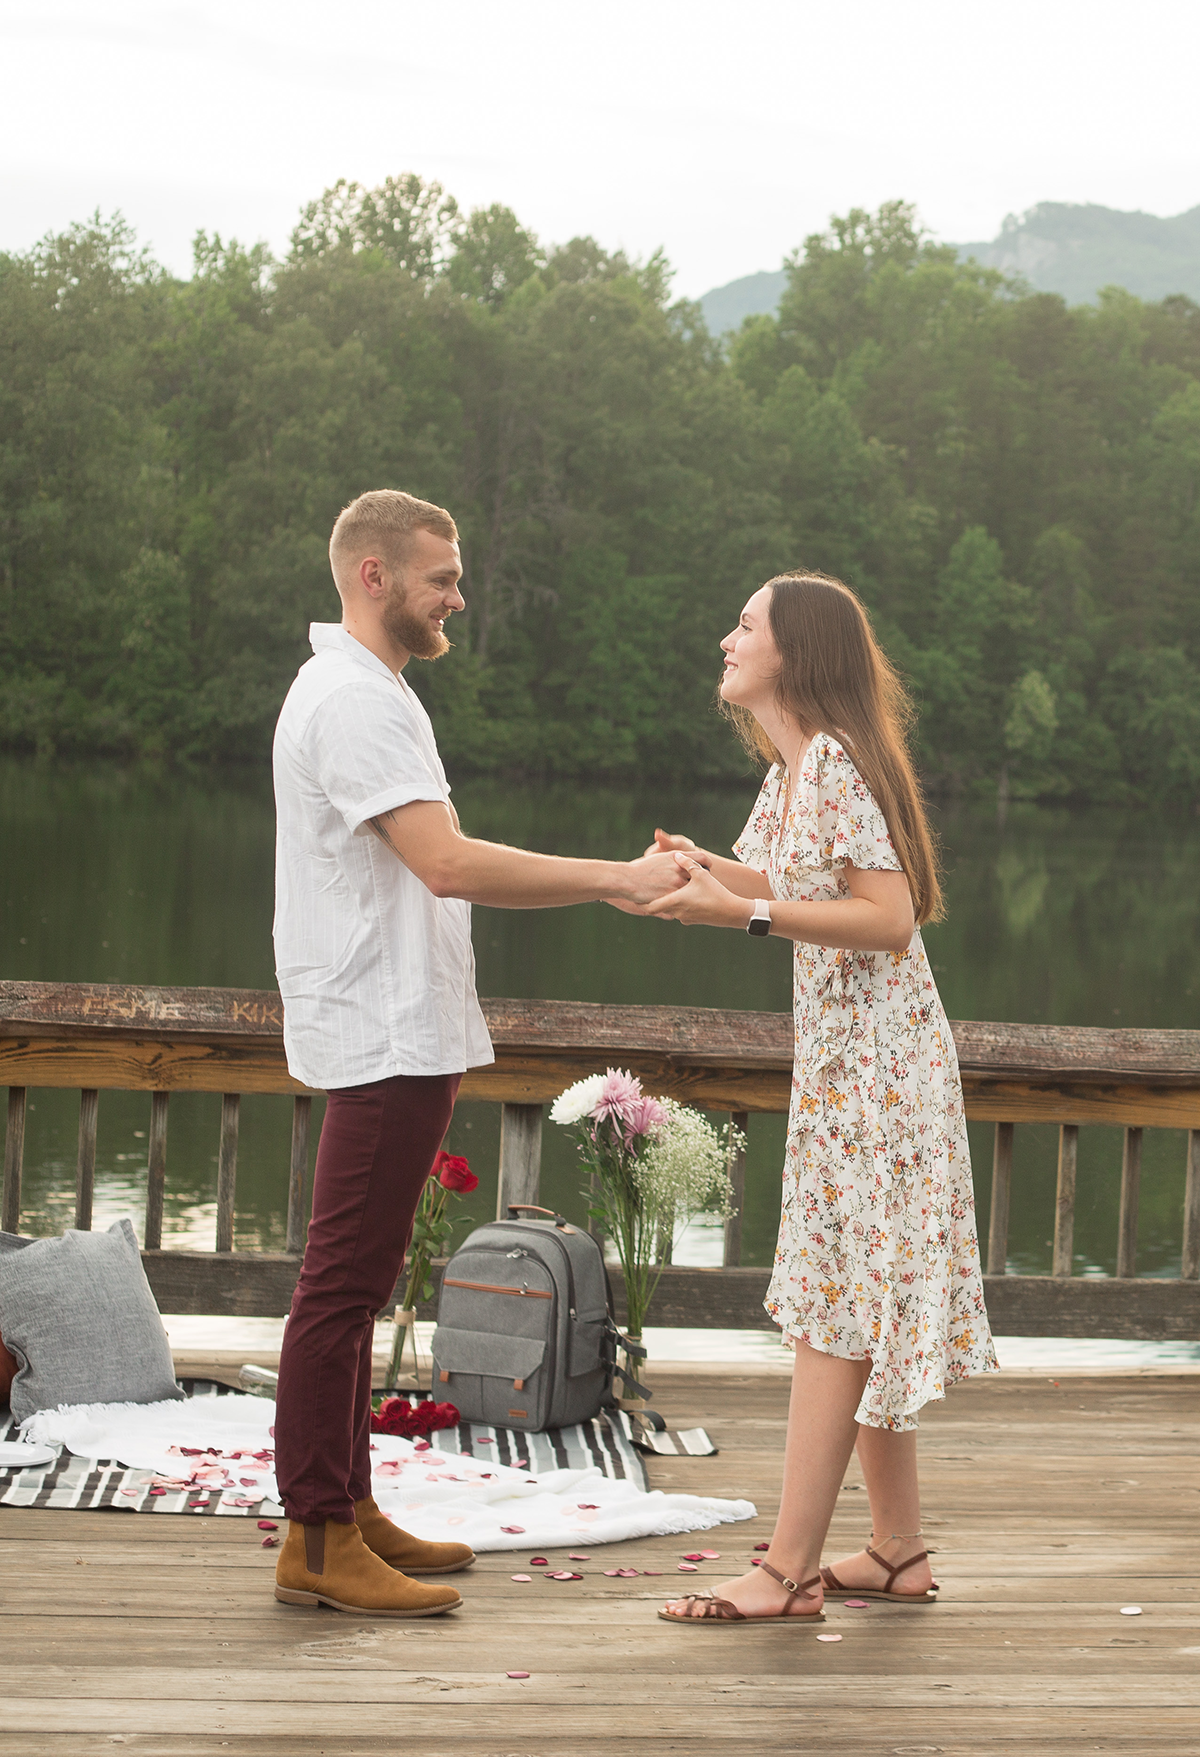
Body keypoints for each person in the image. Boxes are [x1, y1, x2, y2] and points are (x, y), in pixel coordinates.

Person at [269, 488, 682, 1618]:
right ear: (373, 577)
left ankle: (346, 1508)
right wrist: (615, 879)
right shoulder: (352, 702)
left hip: (404, 1028)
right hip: (381, 1032)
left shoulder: (376, 691)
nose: (459, 594)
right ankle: (313, 1536)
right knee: (339, 1290)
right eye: (441, 576)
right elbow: (445, 864)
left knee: (354, 1285)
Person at [646, 571, 997, 1627]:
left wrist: (736, 920)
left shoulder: (835, 762)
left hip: (879, 1080)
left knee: (836, 1310)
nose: (725, 637)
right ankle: (894, 1553)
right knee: (861, 1300)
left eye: (744, 625)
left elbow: (886, 918)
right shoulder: (796, 771)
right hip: (853, 1069)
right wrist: (710, 873)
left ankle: (788, 1568)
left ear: (794, 653)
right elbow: (782, 885)